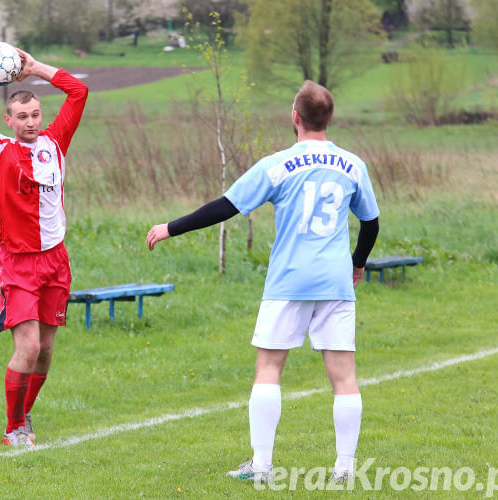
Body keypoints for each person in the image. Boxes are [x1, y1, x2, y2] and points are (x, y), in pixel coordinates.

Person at [146, 80, 379, 483]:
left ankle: (263, 465)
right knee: (344, 376)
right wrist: (357, 263)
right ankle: (344, 469)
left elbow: (226, 207)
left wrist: (171, 227)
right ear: (329, 118)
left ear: (295, 117)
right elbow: (371, 223)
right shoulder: (353, 165)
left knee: (269, 368)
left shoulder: (277, 165)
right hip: (334, 283)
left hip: (288, 281)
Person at [0, 48, 88, 447]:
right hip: (17, 263)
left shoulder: (56, 142)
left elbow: (78, 91)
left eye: (35, 115)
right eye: (22, 117)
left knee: (46, 350)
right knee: (29, 346)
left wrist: (34, 69)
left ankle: (24, 414)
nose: (31, 122)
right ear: (9, 120)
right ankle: (13, 428)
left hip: (56, 260)